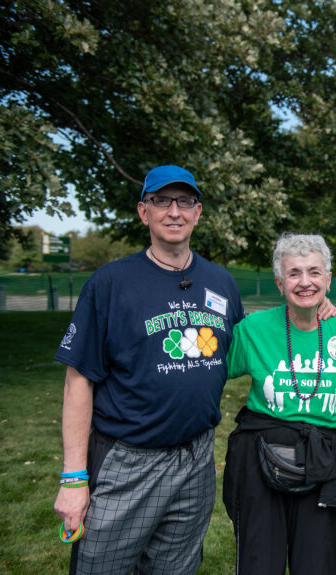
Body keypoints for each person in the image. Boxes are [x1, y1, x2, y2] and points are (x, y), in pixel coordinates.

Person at [53, 165, 246, 574]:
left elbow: (255, 341)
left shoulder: (222, 283)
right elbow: (78, 379)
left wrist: (316, 309)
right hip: (128, 462)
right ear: (144, 212)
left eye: (184, 202)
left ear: (198, 212)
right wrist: (73, 478)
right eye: (162, 201)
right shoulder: (110, 283)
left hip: (196, 460)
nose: (174, 211)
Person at [222, 232, 336, 574]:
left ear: (328, 280)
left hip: (326, 459)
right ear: (279, 282)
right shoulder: (253, 328)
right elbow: (209, 374)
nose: (305, 282)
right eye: (294, 273)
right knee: (260, 563)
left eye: (314, 272)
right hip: (262, 455)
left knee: (320, 564)